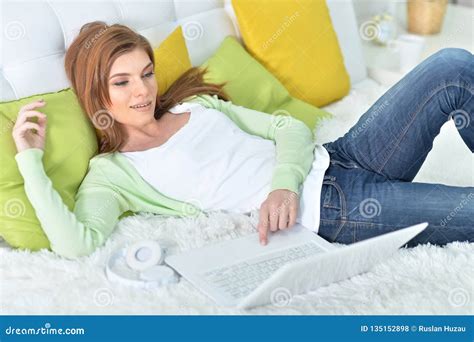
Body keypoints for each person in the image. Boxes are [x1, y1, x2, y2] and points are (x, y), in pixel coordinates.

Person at [12, 22, 473, 259]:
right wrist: (31, 162)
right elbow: (77, 245)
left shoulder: (193, 106)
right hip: (335, 209)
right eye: (122, 82)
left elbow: (289, 128)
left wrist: (282, 184)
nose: (143, 91)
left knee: (451, 64)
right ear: (96, 94)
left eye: (147, 73)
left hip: (343, 154)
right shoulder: (112, 175)